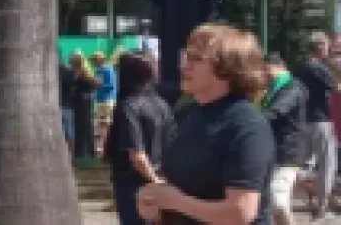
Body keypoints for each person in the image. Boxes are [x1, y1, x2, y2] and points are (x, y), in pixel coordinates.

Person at [137, 23, 274, 225]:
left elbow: (241, 211)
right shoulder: (188, 114)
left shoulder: (247, 125)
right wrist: (156, 205)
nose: (185, 65)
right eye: (186, 55)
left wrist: (175, 202)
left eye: (196, 58)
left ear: (227, 69)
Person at [104, 52, 172, 225]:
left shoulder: (128, 106)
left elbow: (137, 154)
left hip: (134, 182)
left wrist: (154, 180)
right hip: (161, 176)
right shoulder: (162, 104)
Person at [260, 52, 308, 225]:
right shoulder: (273, 89)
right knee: (275, 202)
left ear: (279, 66)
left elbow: (277, 111)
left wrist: (251, 121)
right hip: (273, 151)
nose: (265, 76)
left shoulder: (293, 87)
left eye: (266, 71)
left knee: (277, 200)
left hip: (289, 153)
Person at [294, 31, 337, 219]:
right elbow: (337, 88)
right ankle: (322, 209)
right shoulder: (319, 68)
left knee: (302, 165)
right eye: (326, 45)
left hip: (303, 121)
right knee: (327, 164)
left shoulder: (300, 68)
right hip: (321, 122)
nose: (328, 49)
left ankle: (291, 196)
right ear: (319, 46)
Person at [91, 51, 117, 154]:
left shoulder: (107, 70)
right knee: (102, 123)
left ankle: (104, 146)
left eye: (94, 60)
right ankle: (102, 146)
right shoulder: (99, 70)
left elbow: (111, 85)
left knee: (105, 123)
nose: (93, 63)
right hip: (101, 100)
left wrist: (99, 84)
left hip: (107, 100)